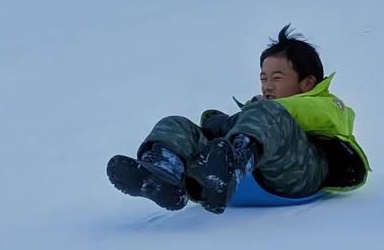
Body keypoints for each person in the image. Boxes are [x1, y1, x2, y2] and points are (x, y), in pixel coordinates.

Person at [107, 26, 369, 214]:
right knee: (177, 124)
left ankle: (231, 165)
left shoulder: (327, 103)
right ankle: (165, 175)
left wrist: (258, 111)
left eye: (277, 78)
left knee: (268, 115)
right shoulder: (261, 111)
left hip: (299, 175)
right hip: (244, 183)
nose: (268, 85)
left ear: (307, 82)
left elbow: (307, 114)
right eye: (263, 78)